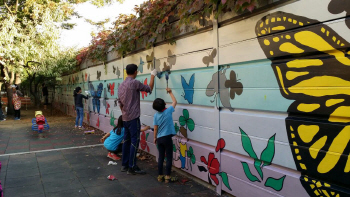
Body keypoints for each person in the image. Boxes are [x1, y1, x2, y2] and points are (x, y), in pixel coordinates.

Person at [118, 64, 157, 175]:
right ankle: (132, 166)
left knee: (126, 141)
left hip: (125, 118)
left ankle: (124, 165)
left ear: (126, 72)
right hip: (134, 117)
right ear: (135, 72)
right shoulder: (134, 83)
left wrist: (125, 113)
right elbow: (149, 88)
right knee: (134, 141)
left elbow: (120, 103)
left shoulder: (121, 85)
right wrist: (152, 75)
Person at [153, 88, 178, 183]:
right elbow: (175, 102)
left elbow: (155, 128)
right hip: (167, 138)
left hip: (159, 138)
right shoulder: (168, 111)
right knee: (169, 157)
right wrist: (170, 92)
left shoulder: (156, 115)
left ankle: (160, 176)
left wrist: (155, 137)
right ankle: (167, 176)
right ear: (164, 104)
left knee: (161, 157)